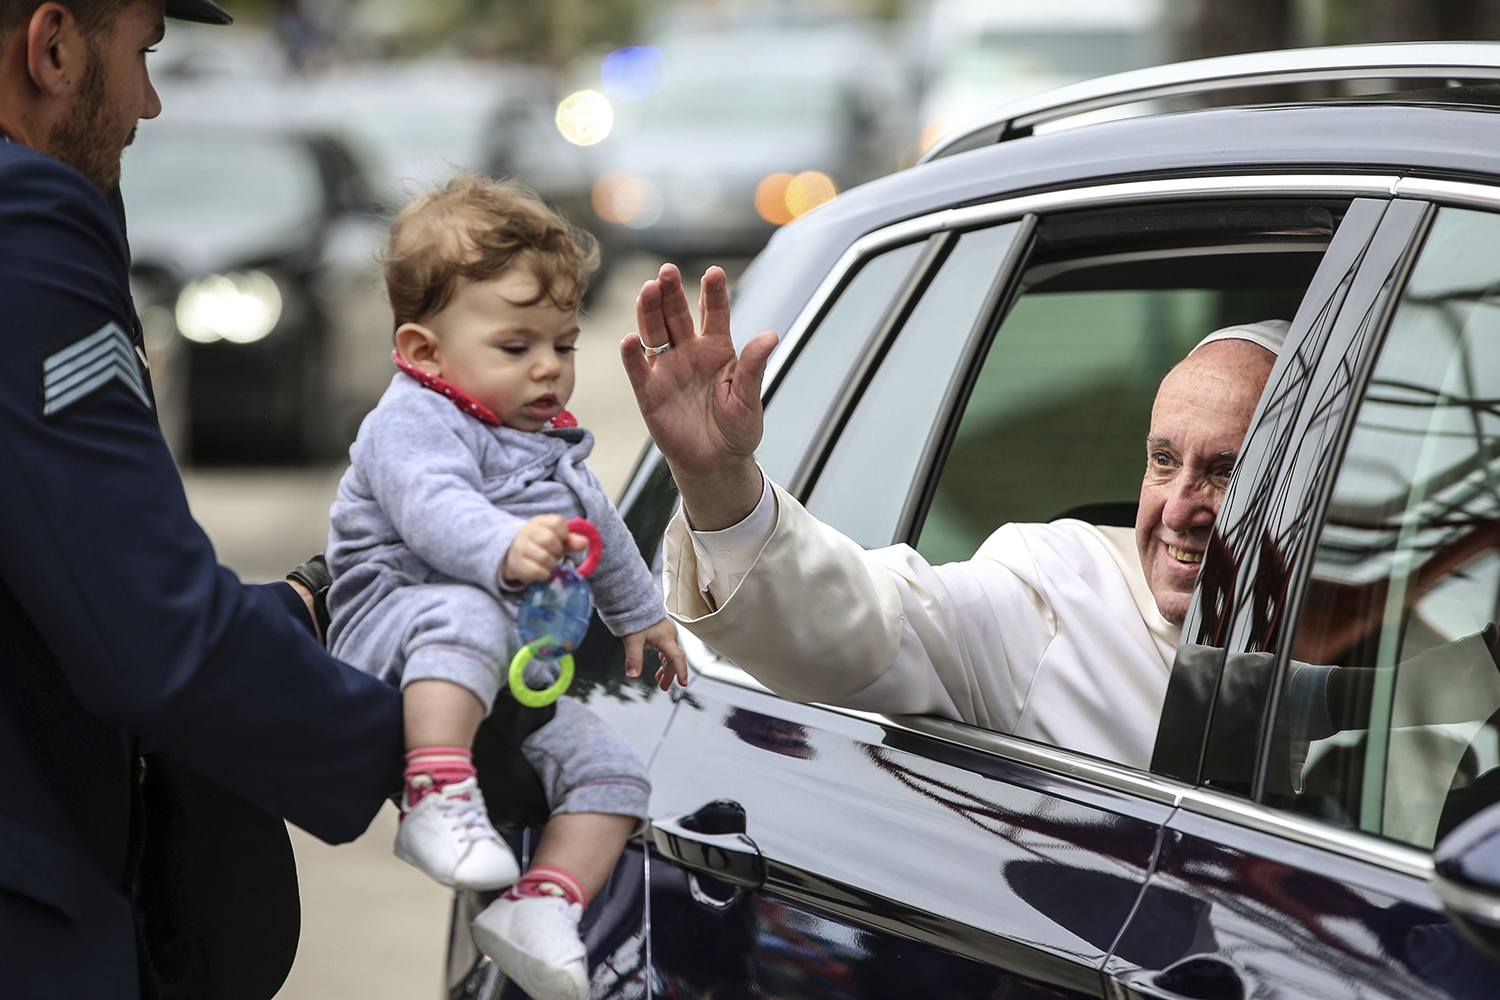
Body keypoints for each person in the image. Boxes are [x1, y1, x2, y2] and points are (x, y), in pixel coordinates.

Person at [0, 1, 406, 996]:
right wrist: (427, 736)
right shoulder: (25, 222)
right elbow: (149, 636)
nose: (148, 100)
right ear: (52, 46)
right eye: (142, 54)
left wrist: (299, 611)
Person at [622, 262, 1283, 769]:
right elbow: (857, 624)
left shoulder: (1383, 627)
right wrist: (716, 480)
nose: (1176, 508)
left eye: (1225, 471)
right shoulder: (1063, 593)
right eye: (1163, 461)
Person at [325, 174, 686, 1000]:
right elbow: (432, 509)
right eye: (516, 348)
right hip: (395, 633)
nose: (548, 371)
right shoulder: (414, 419)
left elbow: (604, 534)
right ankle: (436, 793)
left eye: (563, 345)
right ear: (423, 351)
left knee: (613, 774)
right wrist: (506, 543)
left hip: (509, 674)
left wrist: (643, 618)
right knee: (466, 609)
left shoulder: (549, 443)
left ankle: (540, 906)